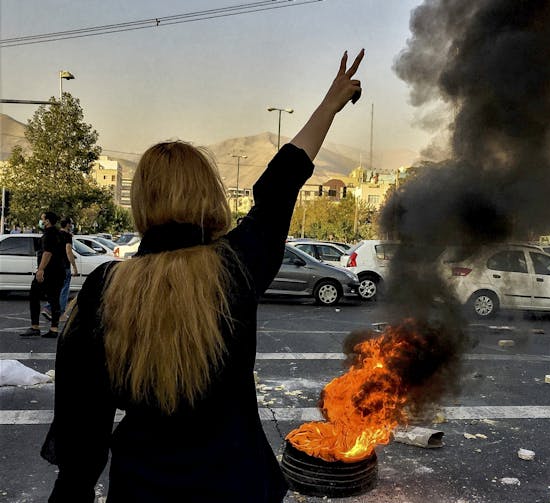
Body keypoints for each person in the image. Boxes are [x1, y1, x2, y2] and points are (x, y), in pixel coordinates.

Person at [41, 49, 364, 502]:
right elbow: (280, 185)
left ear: (141, 202)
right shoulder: (236, 266)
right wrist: (329, 105)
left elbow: (82, 439)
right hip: (239, 486)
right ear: (209, 193)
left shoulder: (105, 290)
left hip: (144, 490)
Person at [20, 211, 66, 338]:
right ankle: (54, 329)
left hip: (49, 272)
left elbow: (47, 253)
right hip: (59, 271)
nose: (41, 221)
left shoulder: (49, 234)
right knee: (54, 299)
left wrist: (40, 270)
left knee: (34, 295)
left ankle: (35, 327)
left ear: (47, 221)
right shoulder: (60, 234)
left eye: (42, 219)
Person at [42, 218, 78, 322]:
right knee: (64, 290)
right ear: (67, 225)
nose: (72, 225)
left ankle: (49, 308)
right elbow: (68, 251)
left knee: (56, 289)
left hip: (54, 265)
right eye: (71, 223)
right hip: (64, 266)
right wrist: (74, 267)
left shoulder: (56, 234)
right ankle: (59, 313)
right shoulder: (67, 236)